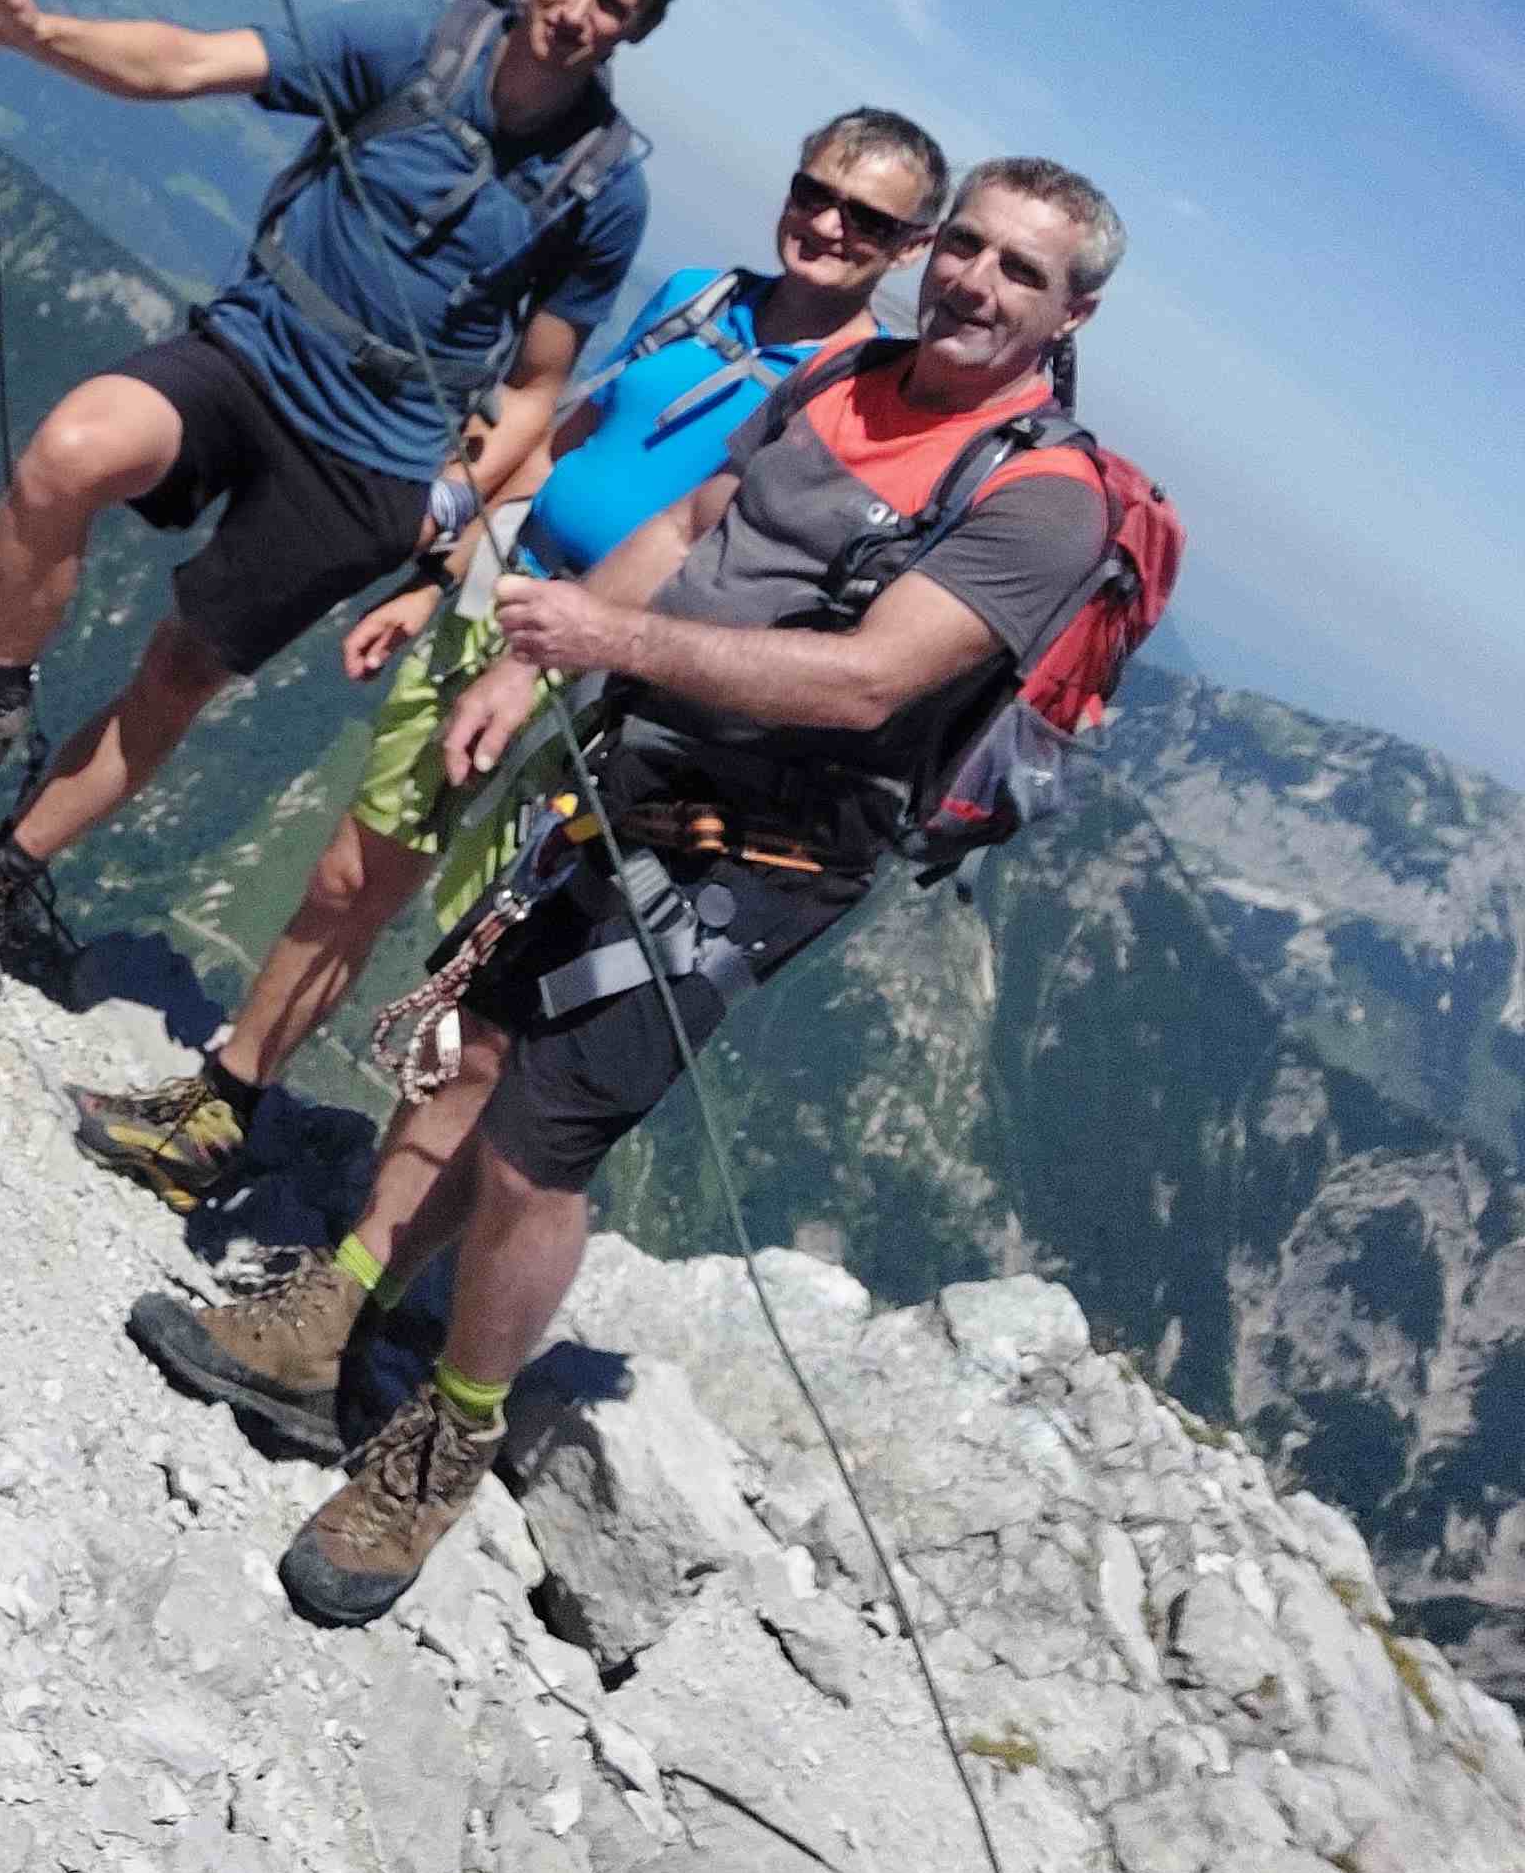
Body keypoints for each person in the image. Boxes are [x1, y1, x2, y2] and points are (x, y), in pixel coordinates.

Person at [131, 156, 1128, 1625]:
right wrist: (539, 665)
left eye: (1019, 270)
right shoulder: (847, 379)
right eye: (967, 245)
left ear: (1071, 312)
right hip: (631, 774)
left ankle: (445, 1444)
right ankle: (330, 1314)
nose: (975, 280)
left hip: (758, 862)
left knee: (540, 1147)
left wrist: (606, 643)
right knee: (472, 1049)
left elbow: (868, 683)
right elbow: (690, 530)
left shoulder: (1044, 501)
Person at [71, 111, 948, 1207]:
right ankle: (222, 1110)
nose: (827, 224)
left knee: (481, 955)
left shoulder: (852, 392)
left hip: (614, 679)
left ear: (910, 247)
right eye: (815, 191)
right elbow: (566, 439)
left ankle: (369, 1249)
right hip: (505, 600)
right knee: (353, 875)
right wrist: (438, 578)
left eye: (868, 218)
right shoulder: (698, 297)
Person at [0, 0, 695, 986]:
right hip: (258, 349)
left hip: (378, 459)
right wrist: (35, 31)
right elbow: (191, 61)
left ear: (639, 29)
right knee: (69, 452)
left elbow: (539, 386)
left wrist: (447, 504)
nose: (578, 12)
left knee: (180, 672)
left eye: (612, 3)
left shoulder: (604, 189)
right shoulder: (418, 40)